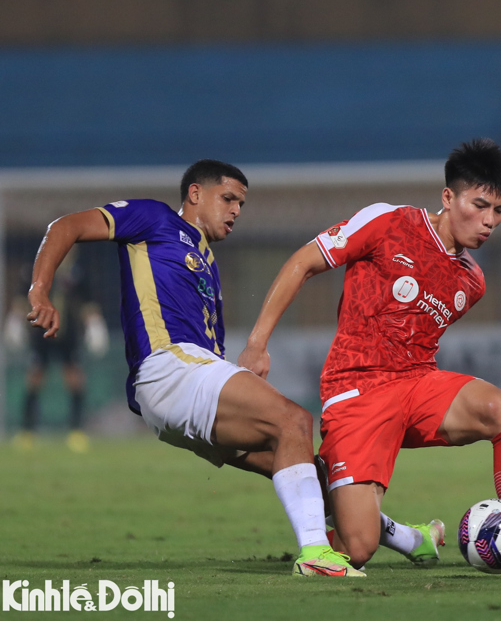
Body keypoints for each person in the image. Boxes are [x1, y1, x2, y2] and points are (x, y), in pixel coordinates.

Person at [238, 139, 501, 578]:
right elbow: (303, 262)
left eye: (498, 211)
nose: (489, 221)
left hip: (418, 384)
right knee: (356, 547)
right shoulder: (389, 222)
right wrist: (257, 342)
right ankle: (402, 532)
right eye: (479, 206)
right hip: (356, 389)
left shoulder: (472, 282)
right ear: (448, 198)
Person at [26, 159, 362, 578]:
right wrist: (40, 290)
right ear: (195, 194)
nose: (237, 210)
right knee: (293, 418)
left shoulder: (206, 264)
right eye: (228, 199)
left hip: (178, 392)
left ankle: (403, 537)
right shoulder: (154, 218)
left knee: (304, 464)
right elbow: (66, 226)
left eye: (241, 203)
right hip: (169, 367)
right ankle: (315, 553)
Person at [8, 251, 108, 453]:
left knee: (74, 379)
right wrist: (14, 321)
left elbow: (88, 304)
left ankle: (76, 430)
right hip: (41, 333)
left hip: (67, 334)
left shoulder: (77, 272)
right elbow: (21, 298)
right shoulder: (35, 270)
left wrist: (95, 325)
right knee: (35, 378)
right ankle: (27, 431)